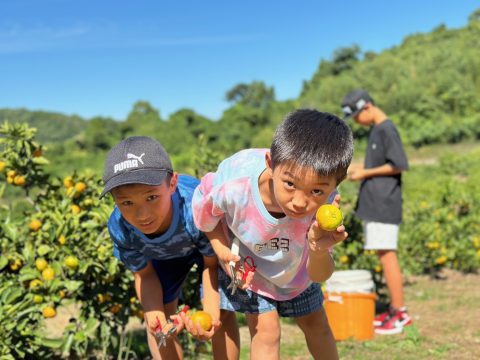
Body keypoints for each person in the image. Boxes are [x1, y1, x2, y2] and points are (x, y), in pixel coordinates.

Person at [188, 109, 353, 360]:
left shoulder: (326, 206)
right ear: (270, 164)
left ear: (334, 185)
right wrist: (221, 250)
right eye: (290, 184)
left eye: (316, 191)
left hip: (298, 270)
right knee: (267, 331)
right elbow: (206, 215)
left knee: (316, 325)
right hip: (249, 268)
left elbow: (319, 273)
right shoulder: (234, 184)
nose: (299, 202)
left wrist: (318, 248)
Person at [100, 136, 239, 359]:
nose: (142, 215)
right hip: (161, 257)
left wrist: (210, 318)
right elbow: (144, 275)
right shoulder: (121, 228)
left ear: (172, 184)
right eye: (127, 203)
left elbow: (211, 265)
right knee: (157, 323)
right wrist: (156, 320)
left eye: (152, 197)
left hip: (203, 245)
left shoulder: (196, 208)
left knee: (221, 310)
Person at [341, 89, 412, 335]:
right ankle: (393, 310)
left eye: (357, 116)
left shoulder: (386, 129)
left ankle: (400, 312)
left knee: (387, 256)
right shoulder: (377, 130)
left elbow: (398, 164)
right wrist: (361, 167)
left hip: (384, 204)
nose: (357, 122)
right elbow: (382, 163)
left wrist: (365, 173)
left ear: (367, 107)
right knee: (384, 254)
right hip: (377, 203)